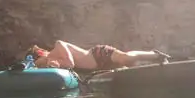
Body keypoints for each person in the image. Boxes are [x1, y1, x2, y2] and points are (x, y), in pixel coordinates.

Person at [28, 41, 170, 71]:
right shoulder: (52, 64)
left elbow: (70, 64)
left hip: (98, 55)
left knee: (127, 58)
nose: (37, 65)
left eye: (37, 62)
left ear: (41, 54)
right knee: (128, 68)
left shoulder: (58, 45)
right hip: (98, 69)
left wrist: (55, 65)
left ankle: (154, 55)